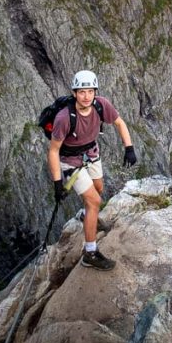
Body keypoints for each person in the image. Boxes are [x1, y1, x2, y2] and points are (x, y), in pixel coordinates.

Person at [47, 70, 137, 270]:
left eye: (90, 91)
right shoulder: (64, 118)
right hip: (71, 161)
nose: (86, 96)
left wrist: (129, 147)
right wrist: (57, 182)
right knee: (95, 202)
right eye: (82, 92)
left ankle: (87, 216)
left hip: (91, 153)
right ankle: (90, 253)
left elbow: (119, 123)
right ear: (74, 93)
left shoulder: (101, 105)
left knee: (98, 190)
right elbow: (53, 151)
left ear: (95, 92)